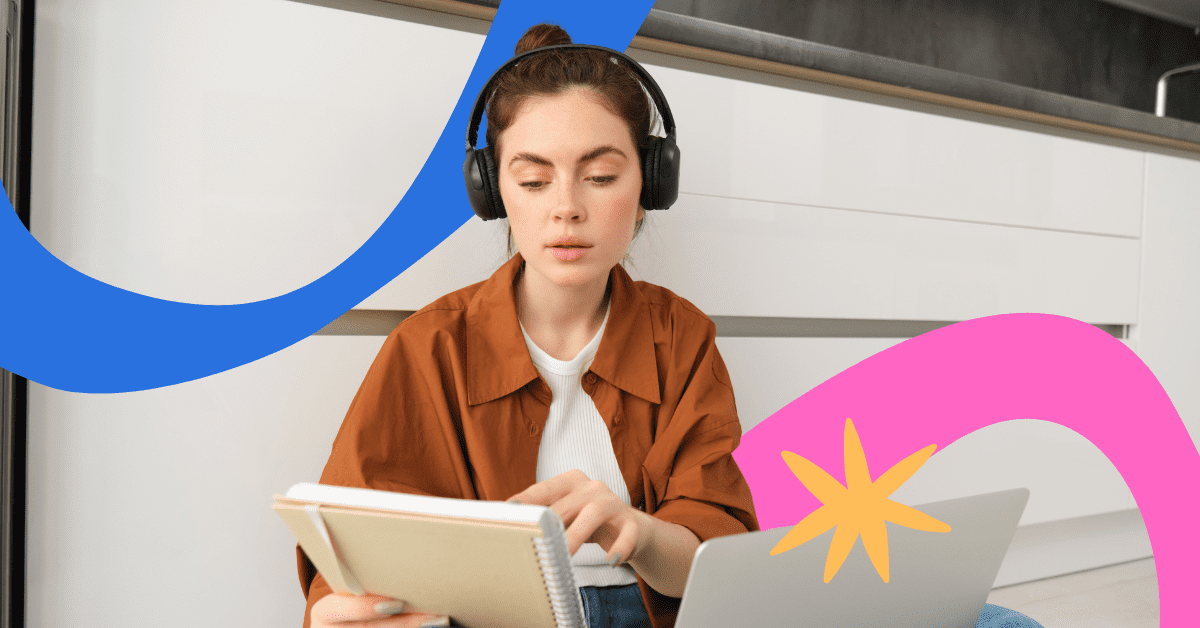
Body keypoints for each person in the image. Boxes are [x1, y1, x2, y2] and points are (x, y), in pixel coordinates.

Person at [297, 23, 1045, 628]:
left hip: (662, 615)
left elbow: (714, 555)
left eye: (600, 175)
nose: (566, 207)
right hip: (503, 622)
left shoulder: (680, 334)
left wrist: (635, 529)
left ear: (650, 183)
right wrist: (343, 609)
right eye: (532, 179)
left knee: (1000, 626)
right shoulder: (428, 348)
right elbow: (349, 555)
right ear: (494, 191)